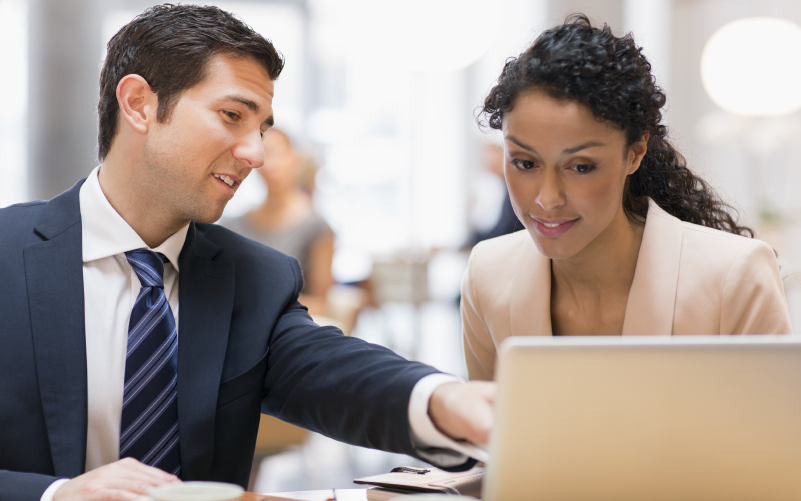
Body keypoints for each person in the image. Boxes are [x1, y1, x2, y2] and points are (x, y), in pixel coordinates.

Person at [0, 5, 494, 501]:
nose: (256, 154)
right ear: (138, 104)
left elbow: (330, 369)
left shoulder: (255, 277)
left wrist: (444, 399)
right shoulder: (6, 254)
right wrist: (58, 494)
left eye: (261, 128)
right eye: (233, 116)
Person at [461, 15, 792, 381]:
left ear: (635, 153)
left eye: (581, 167)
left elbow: (776, 437)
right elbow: (489, 435)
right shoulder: (488, 276)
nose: (548, 199)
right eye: (525, 162)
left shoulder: (735, 278)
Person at [224, 129, 333, 315]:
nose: (269, 163)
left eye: (276, 153)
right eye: (263, 154)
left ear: (295, 158)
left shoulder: (316, 228)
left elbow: (320, 303)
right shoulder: (231, 226)